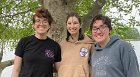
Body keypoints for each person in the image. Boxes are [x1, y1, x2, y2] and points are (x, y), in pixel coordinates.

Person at [11, 8, 61, 77]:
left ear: (49, 25)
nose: (41, 24)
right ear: (33, 25)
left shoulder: (55, 46)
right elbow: (16, 70)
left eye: (45, 21)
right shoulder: (24, 42)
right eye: (38, 21)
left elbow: (60, 70)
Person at [58, 12, 94, 77]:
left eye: (75, 23)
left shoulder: (89, 44)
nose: (72, 26)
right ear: (66, 25)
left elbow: (94, 67)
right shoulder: (61, 45)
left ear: (80, 25)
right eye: (69, 23)